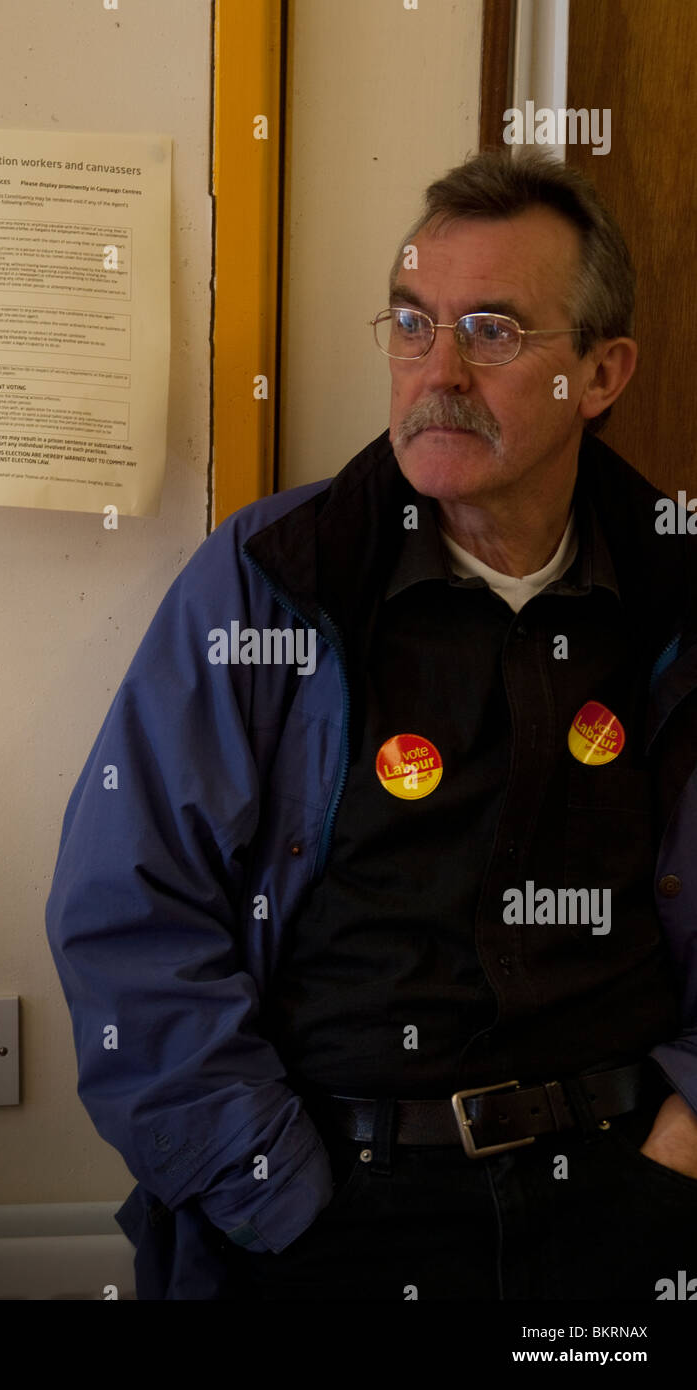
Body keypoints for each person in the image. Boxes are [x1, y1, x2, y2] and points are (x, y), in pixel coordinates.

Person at [45, 149, 697, 1301]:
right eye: (411, 323)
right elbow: (127, 915)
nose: (437, 371)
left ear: (602, 374)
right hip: (323, 1203)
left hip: (623, 1196)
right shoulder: (270, 580)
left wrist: (678, 1157)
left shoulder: (677, 599)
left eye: (494, 331)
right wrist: (279, 1201)